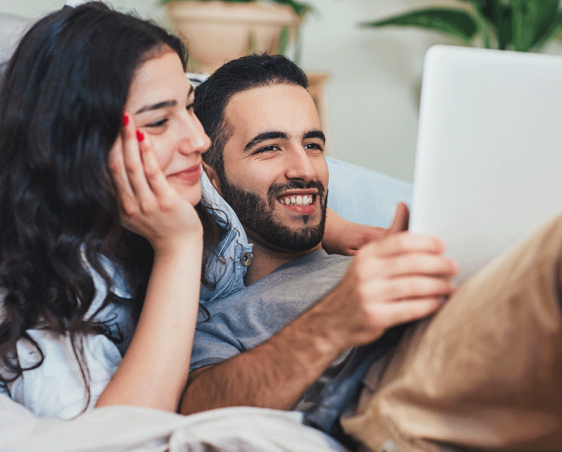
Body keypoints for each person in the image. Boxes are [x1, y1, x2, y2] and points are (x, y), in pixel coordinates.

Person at [180, 53, 562, 452]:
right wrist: (338, 317)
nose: (304, 169)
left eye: (313, 144)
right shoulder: (220, 316)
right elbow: (195, 407)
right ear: (212, 177)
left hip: (507, 348)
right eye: (269, 148)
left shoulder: (359, 253)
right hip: (401, 394)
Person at [0, 2, 377, 421]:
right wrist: (177, 246)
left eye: (190, 107)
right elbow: (121, 434)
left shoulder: (187, 169)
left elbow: (288, 166)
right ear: (76, 147)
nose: (197, 140)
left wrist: (340, 229)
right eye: (161, 120)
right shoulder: (40, 305)